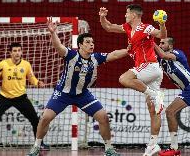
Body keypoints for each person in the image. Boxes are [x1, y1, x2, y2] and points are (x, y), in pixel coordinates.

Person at [27, 17, 129, 156]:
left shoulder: (96, 58)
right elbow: (58, 47)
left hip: (82, 94)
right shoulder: (71, 55)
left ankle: (109, 149)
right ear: (80, 45)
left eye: (92, 42)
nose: (91, 44)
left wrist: (129, 50)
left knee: (103, 117)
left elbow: (114, 54)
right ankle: (36, 146)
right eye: (87, 42)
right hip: (63, 94)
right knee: (45, 118)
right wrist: (53, 33)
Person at [99, 4, 167, 156]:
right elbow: (109, 27)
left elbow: (161, 35)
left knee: (124, 78)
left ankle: (155, 95)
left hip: (149, 66)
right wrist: (102, 17)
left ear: (134, 15)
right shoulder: (128, 28)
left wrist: (162, 24)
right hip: (152, 71)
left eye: (127, 13)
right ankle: (153, 145)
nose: (125, 15)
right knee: (153, 110)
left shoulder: (146, 28)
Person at [0, 42, 49, 151]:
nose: (17, 53)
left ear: (22, 52)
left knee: (35, 120)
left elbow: (32, 78)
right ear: (10, 53)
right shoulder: (3, 64)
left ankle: (40, 144)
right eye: (14, 51)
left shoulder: (26, 65)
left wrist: (38, 83)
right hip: (5, 97)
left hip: (21, 98)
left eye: (19, 50)